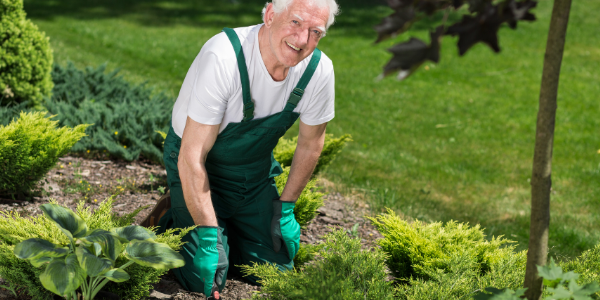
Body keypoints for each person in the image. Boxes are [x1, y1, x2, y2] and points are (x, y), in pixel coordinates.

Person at [144, 0, 339, 298]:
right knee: (205, 277)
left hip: (253, 172)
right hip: (196, 164)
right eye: (296, 23)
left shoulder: (318, 71)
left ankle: (227, 228)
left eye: (315, 31)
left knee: (275, 269)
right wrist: (209, 238)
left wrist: (285, 208)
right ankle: (171, 215)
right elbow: (192, 155)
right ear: (271, 14)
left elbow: (311, 144)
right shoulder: (224, 57)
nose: (302, 40)